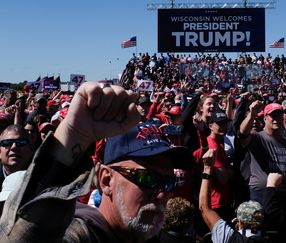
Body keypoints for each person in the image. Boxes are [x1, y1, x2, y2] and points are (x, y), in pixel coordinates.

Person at [0, 82, 194, 242]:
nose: (162, 194)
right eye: (147, 178)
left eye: (168, 182)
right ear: (106, 180)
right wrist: (73, 136)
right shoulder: (82, 234)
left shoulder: (155, 235)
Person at [199, 149, 269, 243]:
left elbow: (204, 208)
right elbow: (205, 208)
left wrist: (207, 168)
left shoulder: (229, 238)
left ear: (240, 223)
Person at [239, 102, 286, 204]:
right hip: (261, 194)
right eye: (273, 115)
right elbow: (243, 132)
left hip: (283, 195)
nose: (276, 119)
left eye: (279, 115)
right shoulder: (257, 137)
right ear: (264, 118)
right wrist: (252, 114)